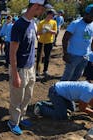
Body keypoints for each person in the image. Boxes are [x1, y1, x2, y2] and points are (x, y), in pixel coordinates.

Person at [8, 0, 52, 135]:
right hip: (20, 69)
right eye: (43, 9)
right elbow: (12, 52)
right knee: (17, 98)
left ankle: (21, 117)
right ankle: (13, 122)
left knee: (28, 96)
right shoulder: (19, 25)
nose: (43, 12)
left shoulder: (33, 22)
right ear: (35, 6)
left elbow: (32, 41)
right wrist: (15, 74)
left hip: (30, 67)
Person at [61, 4, 93, 81]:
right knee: (67, 76)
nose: (92, 18)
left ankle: (70, 92)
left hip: (85, 56)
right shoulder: (75, 23)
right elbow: (65, 38)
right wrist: (65, 53)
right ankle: (59, 92)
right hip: (73, 55)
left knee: (77, 76)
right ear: (86, 14)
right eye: (91, 15)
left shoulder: (92, 24)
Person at [36, 9, 57, 78]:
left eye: (52, 15)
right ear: (47, 15)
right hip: (41, 41)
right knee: (39, 56)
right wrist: (42, 31)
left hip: (49, 42)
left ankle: (45, 70)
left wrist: (49, 30)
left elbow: (55, 32)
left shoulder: (54, 22)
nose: (51, 16)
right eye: (50, 15)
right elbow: (38, 33)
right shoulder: (41, 22)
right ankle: (37, 70)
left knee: (47, 57)